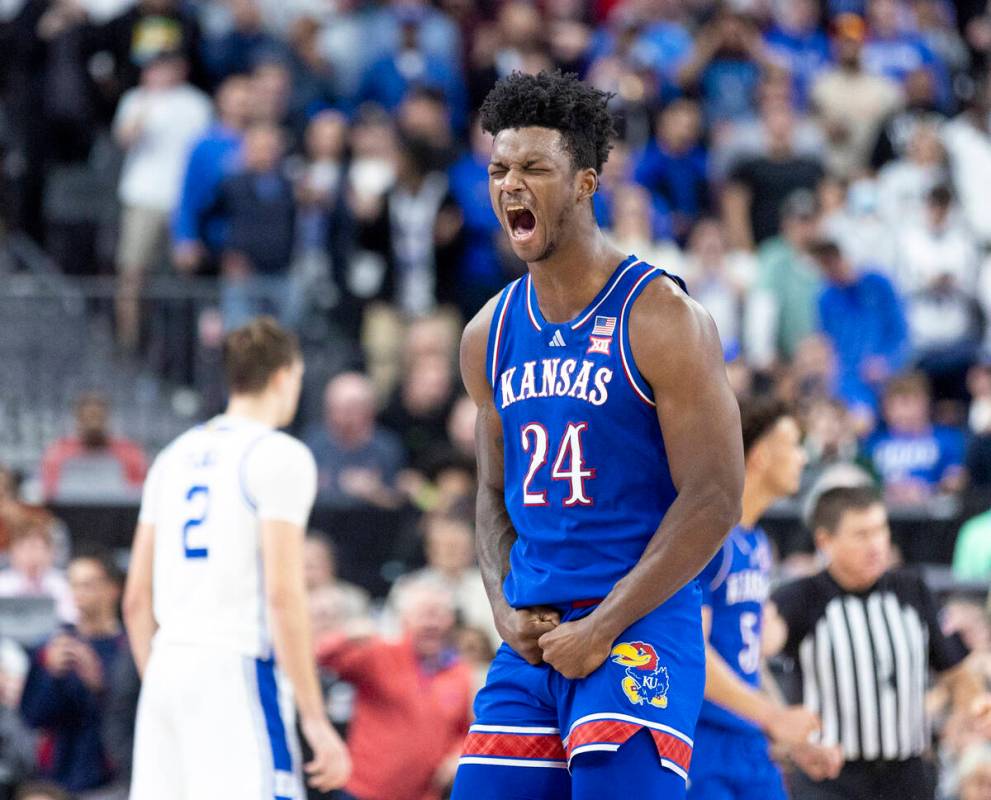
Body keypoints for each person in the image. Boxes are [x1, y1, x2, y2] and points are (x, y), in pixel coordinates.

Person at [452, 71, 744, 800]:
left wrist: (604, 625)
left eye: (533, 169)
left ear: (584, 182)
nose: (510, 185)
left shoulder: (661, 316)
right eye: (498, 170)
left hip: (636, 624)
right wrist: (500, 607)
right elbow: (491, 494)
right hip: (535, 638)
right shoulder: (487, 333)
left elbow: (714, 498)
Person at [123, 317, 350, 799]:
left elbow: (135, 601)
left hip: (166, 667)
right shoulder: (279, 455)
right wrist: (314, 719)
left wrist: (168, 686)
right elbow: (284, 595)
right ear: (285, 376)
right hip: (236, 666)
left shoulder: (172, 456)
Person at [763, 485, 991, 800]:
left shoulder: (913, 590)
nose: (876, 545)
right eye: (861, 535)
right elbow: (751, 655)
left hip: (907, 774)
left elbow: (955, 669)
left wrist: (975, 704)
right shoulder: (801, 597)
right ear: (825, 541)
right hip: (830, 777)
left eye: (881, 530)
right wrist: (778, 720)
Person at [689, 396, 834, 799]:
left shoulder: (757, 543)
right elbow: (693, 653)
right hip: (703, 740)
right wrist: (774, 715)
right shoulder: (707, 538)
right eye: (793, 445)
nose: (803, 459)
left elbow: (750, 661)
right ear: (759, 456)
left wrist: (788, 733)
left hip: (751, 741)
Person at [316, 576, 474, 800]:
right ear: (404, 619)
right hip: (364, 792)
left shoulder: (460, 672)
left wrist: (459, 755)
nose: (432, 623)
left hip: (425, 795)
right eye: (424, 614)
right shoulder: (380, 654)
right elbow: (320, 656)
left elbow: (464, 729)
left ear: (451, 620)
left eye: (439, 613)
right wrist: (348, 634)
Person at [111, 51, 211, 350]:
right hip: (142, 196)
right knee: (132, 273)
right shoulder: (135, 99)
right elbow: (125, 139)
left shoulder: (196, 104)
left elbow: (202, 153)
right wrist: (146, 104)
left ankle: (179, 349)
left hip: (183, 201)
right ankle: (129, 345)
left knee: (185, 276)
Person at [19, 554, 128, 798]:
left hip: (109, 781)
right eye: (74, 584)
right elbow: (32, 717)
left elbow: (131, 717)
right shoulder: (52, 647)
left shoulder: (129, 649)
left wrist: (100, 685)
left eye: (88, 584)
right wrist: (51, 674)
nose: (80, 593)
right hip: (54, 780)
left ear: (113, 589)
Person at [304, 372, 406, 509]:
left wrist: (375, 492)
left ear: (368, 410)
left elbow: (399, 503)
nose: (340, 417)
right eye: (334, 409)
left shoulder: (387, 448)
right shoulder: (312, 443)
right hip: (320, 524)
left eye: (348, 410)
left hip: (371, 524)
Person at [865, 372, 965, 507]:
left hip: (934, 513)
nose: (904, 411)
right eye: (897, 404)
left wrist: (929, 490)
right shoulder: (873, 444)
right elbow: (865, 482)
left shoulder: (947, 439)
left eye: (910, 403)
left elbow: (956, 479)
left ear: (925, 403)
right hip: (888, 510)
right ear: (886, 408)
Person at [39, 393, 147, 503]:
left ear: (107, 418)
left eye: (98, 417)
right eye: (89, 417)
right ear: (78, 419)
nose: (94, 424)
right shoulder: (58, 452)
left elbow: (139, 494)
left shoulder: (129, 452)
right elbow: (49, 493)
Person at [0, 517, 75, 625]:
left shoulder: (66, 583)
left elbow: (71, 617)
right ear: (12, 553)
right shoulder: (2, 584)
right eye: (24, 548)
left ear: (51, 552)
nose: (31, 555)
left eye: (37, 547)